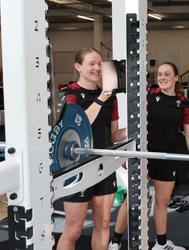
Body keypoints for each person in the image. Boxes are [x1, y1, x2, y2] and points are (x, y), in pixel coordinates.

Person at [108, 62, 189, 250]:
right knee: (131, 198)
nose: (162, 77)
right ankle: (115, 241)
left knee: (162, 201)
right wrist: (128, 153)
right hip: (144, 154)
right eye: (159, 74)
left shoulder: (183, 104)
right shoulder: (148, 97)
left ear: (176, 78)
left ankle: (161, 243)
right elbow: (134, 126)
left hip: (168, 157)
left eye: (167, 74)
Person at [56, 47, 126, 250]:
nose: (97, 68)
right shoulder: (69, 94)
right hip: (76, 166)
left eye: (99, 64)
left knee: (103, 225)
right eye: (91, 63)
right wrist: (101, 98)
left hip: (103, 164)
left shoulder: (110, 98)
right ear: (78, 67)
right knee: (74, 230)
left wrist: (132, 129)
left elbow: (112, 135)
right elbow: (79, 123)